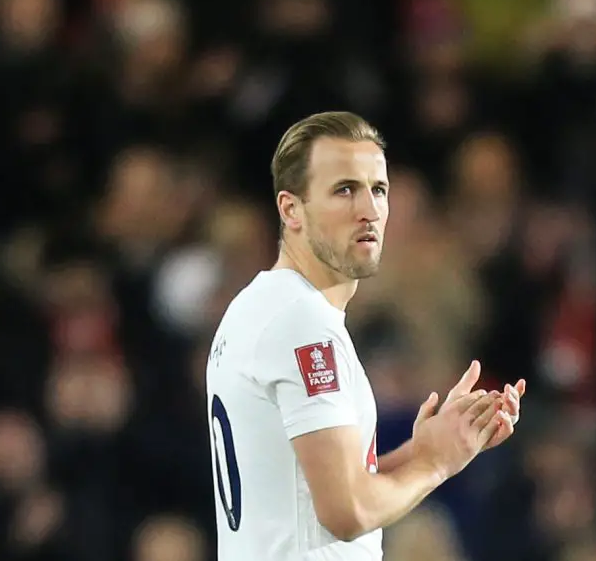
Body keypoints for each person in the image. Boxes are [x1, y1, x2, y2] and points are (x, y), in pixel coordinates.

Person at [205, 111, 526, 560]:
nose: (369, 210)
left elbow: (316, 492)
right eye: (344, 190)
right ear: (290, 209)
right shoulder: (301, 322)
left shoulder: (258, 308)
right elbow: (347, 510)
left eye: (378, 189)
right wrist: (435, 464)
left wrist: (426, 449)